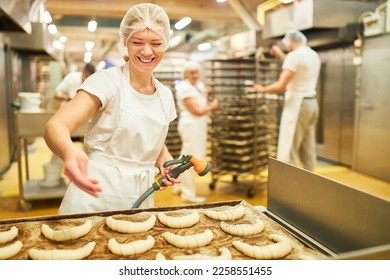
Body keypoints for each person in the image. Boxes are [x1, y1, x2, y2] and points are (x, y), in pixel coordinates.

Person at [43, 3, 180, 214]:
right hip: (95, 193)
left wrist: (166, 161)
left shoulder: (165, 95)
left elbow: (152, 139)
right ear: (125, 42)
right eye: (137, 42)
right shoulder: (107, 82)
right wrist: (69, 152)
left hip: (141, 196)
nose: (146, 51)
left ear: (165, 45)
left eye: (156, 43)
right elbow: (56, 125)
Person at [253, 30, 321, 171]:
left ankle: (291, 188)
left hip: (299, 106)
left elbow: (279, 86)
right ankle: (311, 186)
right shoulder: (313, 54)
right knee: (308, 148)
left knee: (290, 148)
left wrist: (262, 89)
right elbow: (296, 68)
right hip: (312, 104)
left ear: (290, 42)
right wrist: (279, 54)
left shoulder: (294, 56)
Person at [173, 61, 219, 203]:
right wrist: (213, 106)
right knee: (191, 159)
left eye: (196, 72)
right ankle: (188, 194)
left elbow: (201, 101)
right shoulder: (185, 88)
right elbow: (197, 110)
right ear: (186, 74)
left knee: (185, 156)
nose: (195, 75)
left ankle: (178, 185)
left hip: (198, 126)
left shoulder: (197, 85)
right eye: (191, 72)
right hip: (191, 126)